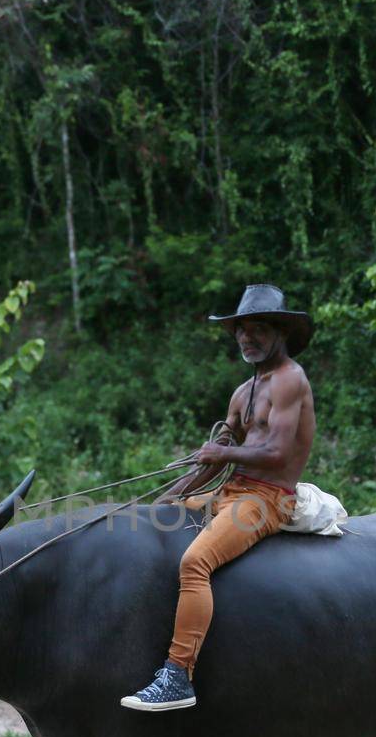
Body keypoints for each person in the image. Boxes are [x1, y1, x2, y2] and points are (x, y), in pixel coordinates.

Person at [121, 284, 316, 712]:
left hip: (266, 500)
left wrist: (223, 451)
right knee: (154, 524)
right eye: (241, 330)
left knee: (195, 562)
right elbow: (210, 464)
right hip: (229, 492)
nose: (247, 337)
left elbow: (278, 452)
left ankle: (178, 674)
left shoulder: (290, 380)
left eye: (258, 328)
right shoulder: (243, 393)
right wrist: (164, 501)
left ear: (280, 332)